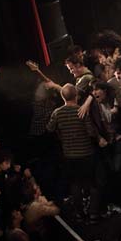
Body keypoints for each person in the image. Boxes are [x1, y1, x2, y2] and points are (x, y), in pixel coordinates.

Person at [46, 84, 99, 222]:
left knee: (75, 185)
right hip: (86, 153)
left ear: (62, 96)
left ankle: (80, 214)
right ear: (76, 96)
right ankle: (93, 214)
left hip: (69, 156)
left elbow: (50, 129)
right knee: (92, 184)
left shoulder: (57, 113)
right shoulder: (81, 111)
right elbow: (91, 132)